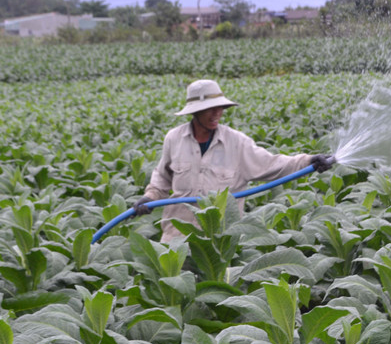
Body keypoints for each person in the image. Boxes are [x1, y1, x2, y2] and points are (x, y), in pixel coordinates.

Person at [131, 79, 334, 242]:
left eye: (220, 107)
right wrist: (149, 197)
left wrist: (308, 161)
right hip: (176, 239)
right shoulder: (174, 139)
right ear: (195, 111)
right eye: (211, 108)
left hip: (218, 242)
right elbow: (162, 179)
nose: (217, 113)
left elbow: (273, 164)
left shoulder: (236, 142)